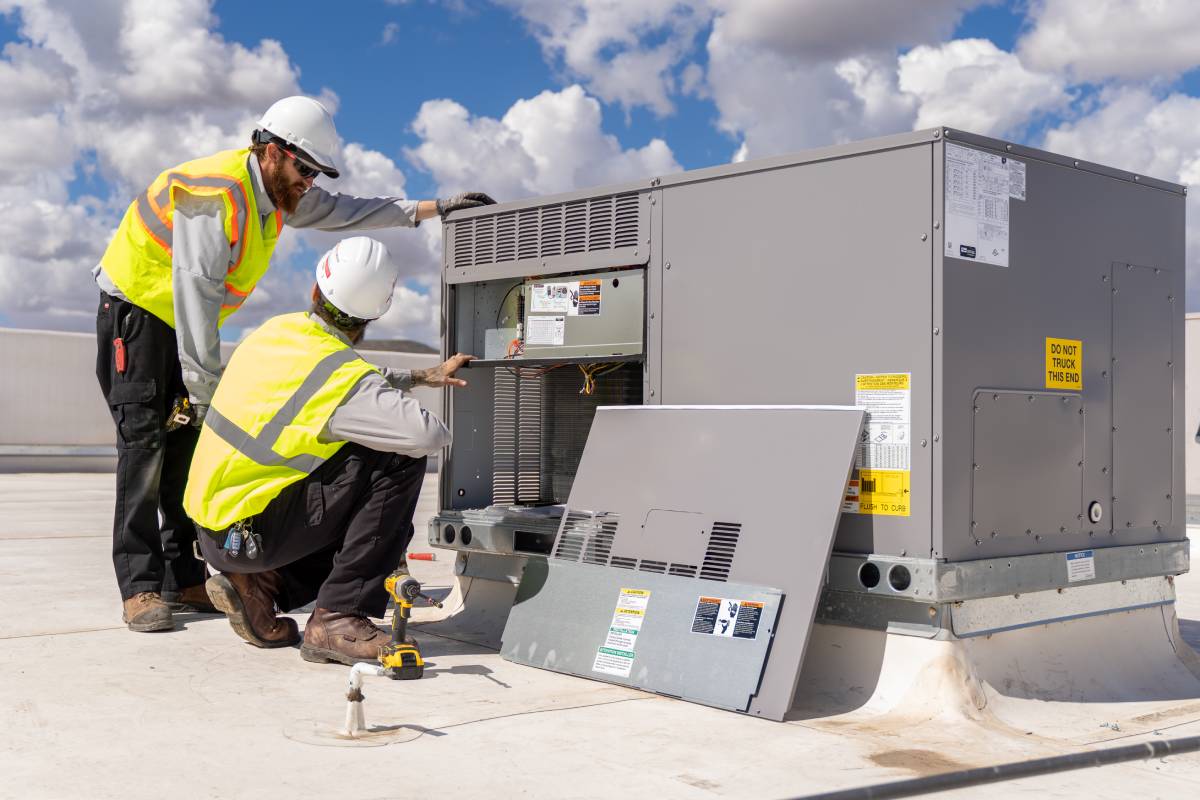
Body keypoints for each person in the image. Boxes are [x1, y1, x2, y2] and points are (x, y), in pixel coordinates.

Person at [93, 95, 493, 632]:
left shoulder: (276, 195)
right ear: (274, 152)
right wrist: (211, 401)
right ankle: (139, 586)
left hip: (174, 320)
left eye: (316, 173)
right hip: (138, 319)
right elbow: (196, 302)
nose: (311, 183)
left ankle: (181, 577)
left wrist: (434, 209)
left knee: (184, 446)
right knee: (145, 447)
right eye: (305, 169)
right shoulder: (215, 197)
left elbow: (344, 209)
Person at [183, 236, 470, 664]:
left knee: (342, 462)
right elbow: (428, 434)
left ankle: (264, 586)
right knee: (397, 457)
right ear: (377, 313)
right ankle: (338, 616)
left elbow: (346, 374)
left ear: (316, 289)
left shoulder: (275, 333)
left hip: (214, 535)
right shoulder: (343, 377)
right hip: (255, 536)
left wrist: (418, 376)